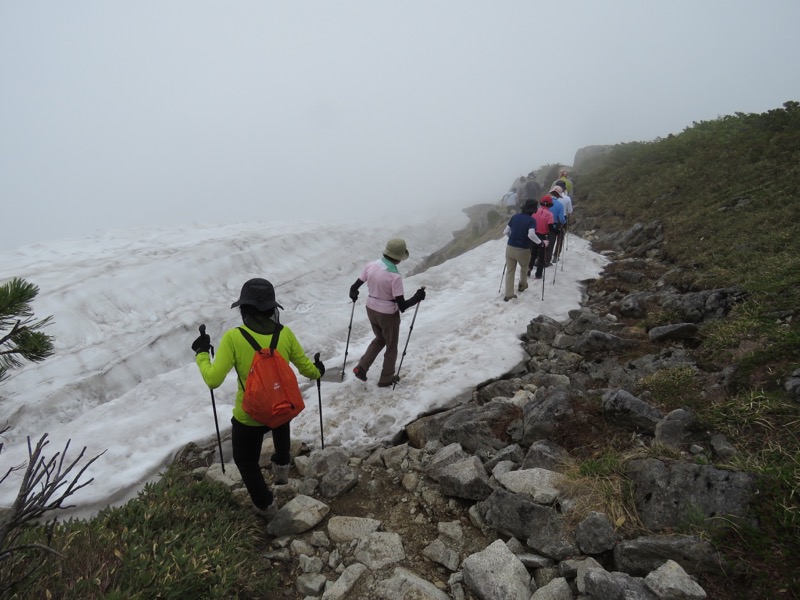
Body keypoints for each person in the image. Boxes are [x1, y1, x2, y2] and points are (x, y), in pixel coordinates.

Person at [191, 278, 324, 518]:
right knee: (280, 419)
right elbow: (307, 369)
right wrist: (319, 371)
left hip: (249, 414)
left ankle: (266, 505)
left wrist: (201, 354)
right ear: (273, 309)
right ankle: (282, 471)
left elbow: (213, 380)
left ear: (244, 310)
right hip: (280, 405)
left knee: (245, 460)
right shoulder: (285, 334)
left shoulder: (234, 338)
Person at [349, 239, 426, 387]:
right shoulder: (394, 276)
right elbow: (402, 305)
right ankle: (386, 379)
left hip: (371, 308)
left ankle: (361, 368)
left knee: (380, 339)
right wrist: (417, 298)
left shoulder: (371, 266)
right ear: (398, 258)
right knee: (391, 346)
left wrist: (353, 294)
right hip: (387, 315)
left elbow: (354, 287)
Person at [502, 199, 544, 301]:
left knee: (510, 271)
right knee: (524, 268)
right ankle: (522, 285)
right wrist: (540, 242)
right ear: (533, 210)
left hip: (510, 248)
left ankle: (508, 294)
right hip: (523, 249)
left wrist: (512, 238)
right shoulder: (531, 220)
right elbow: (531, 234)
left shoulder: (514, 217)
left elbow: (505, 231)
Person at [528, 195, 556, 279]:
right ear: (550, 204)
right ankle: (538, 274)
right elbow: (550, 228)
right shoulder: (550, 214)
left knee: (533, 254)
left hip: (534, 235)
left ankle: (528, 270)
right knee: (541, 256)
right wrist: (557, 232)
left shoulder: (535, 212)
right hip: (544, 236)